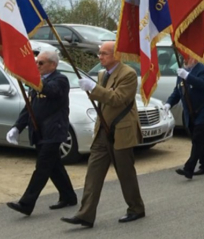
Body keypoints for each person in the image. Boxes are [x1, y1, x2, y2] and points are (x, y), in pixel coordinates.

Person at [61, 41, 144, 228]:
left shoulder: (128, 74)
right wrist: (92, 88)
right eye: (99, 53)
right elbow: (101, 100)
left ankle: (136, 208)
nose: (100, 57)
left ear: (117, 55)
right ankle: (85, 215)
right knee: (93, 173)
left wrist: (93, 88)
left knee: (125, 173)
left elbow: (117, 99)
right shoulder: (101, 74)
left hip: (121, 130)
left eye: (104, 53)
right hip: (102, 131)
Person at [5, 50, 77, 216]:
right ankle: (68, 196)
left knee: (42, 167)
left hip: (54, 131)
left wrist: (31, 79)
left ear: (53, 65)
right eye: (36, 63)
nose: (37, 66)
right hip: (39, 132)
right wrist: (17, 127)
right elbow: (29, 108)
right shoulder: (39, 82)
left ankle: (26, 203)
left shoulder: (60, 80)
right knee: (54, 167)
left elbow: (51, 91)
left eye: (41, 63)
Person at [164, 56, 204, 179]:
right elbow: (178, 91)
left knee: (197, 140)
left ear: (194, 59)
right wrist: (168, 103)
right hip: (191, 113)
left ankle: (189, 169)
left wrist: (188, 76)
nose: (185, 61)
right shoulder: (182, 71)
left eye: (187, 58)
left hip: (203, 111)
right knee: (198, 140)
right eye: (184, 59)